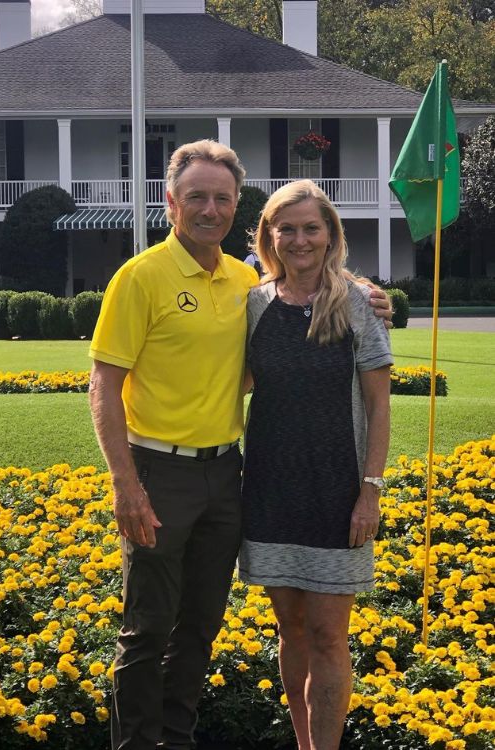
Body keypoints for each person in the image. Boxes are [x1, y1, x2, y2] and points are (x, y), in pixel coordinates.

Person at [88, 140, 393, 750]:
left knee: (200, 627)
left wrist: (365, 291)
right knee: (147, 629)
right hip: (164, 473)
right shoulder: (144, 276)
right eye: (196, 196)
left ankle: (177, 740)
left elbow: (314, 295)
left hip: (234, 478)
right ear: (170, 202)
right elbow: (104, 384)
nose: (209, 208)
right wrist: (126, 483)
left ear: (236, 209)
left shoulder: (242, 283)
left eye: (221, 197)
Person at [239, 179, 393, 750]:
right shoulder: (254, 303)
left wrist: (370, 491)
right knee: (292, 629)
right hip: (270, 493)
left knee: (330, 636)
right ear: (269, 236)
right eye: (288, 228)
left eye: (311, 228)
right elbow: (238, 380)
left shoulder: (357, 302)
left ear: (331, 235)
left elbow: (379, 405)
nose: (300, 239)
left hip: (338, 496)